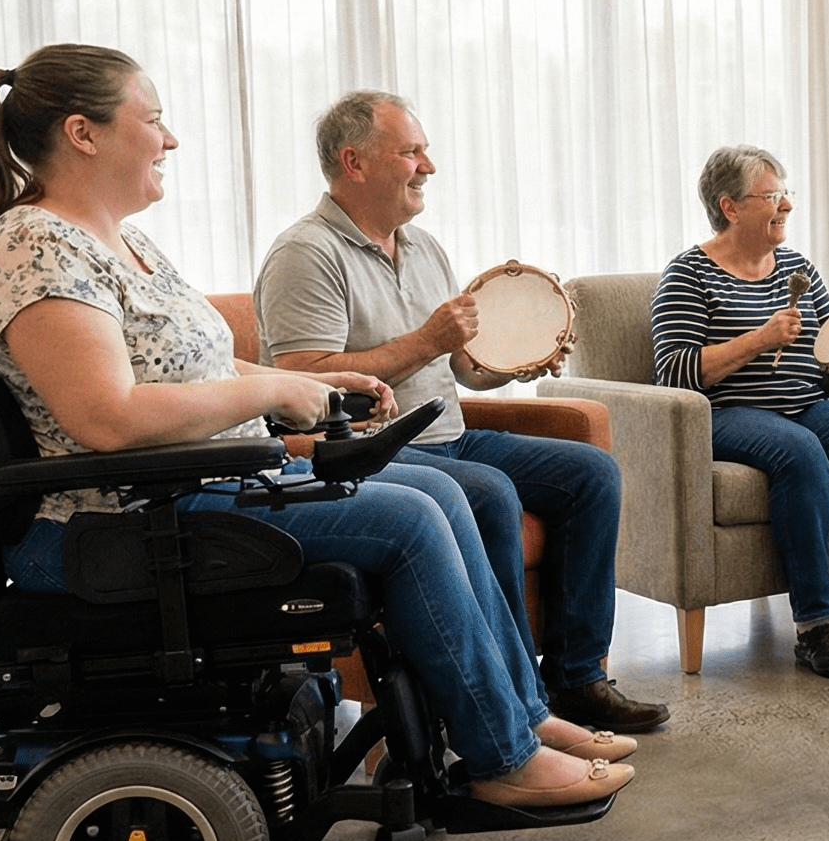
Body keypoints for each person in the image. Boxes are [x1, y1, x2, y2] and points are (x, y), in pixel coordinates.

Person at [0, 44, 632, 808]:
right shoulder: (32, 247)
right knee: (410, 515)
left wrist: (300, 383)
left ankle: (521, 719)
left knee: (437, 493)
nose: (170, 140)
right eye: (155, 120)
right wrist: (271, 392)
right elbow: (106, 417)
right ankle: (501, 757)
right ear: (84, 133)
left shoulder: (122, 241)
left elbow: (192, 366)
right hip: (115, 520)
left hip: (188, 487)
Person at [254, 91, 665, 734]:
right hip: (381, 451)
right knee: (492, 492)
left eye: (426, 151)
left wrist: (514, 362)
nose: (429, 167)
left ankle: (578, 678)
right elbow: (301, 381)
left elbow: (460, 367)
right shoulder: (305, 254)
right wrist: (427, 340)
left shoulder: (424, 248)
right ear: (354, 162)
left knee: (592, 475)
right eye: (412, 152)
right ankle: (512, 698)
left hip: (451, 434)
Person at [653, 145, 829, 679]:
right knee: (800, 453)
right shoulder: (687, 275)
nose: (787, 206)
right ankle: (814, 626)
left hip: (805, 402)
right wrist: (759, 339)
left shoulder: (797, 267)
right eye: (773, 195)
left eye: (786, 194)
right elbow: (676, 374)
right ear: (730, 207)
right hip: (729, 413)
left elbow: (828, 345)